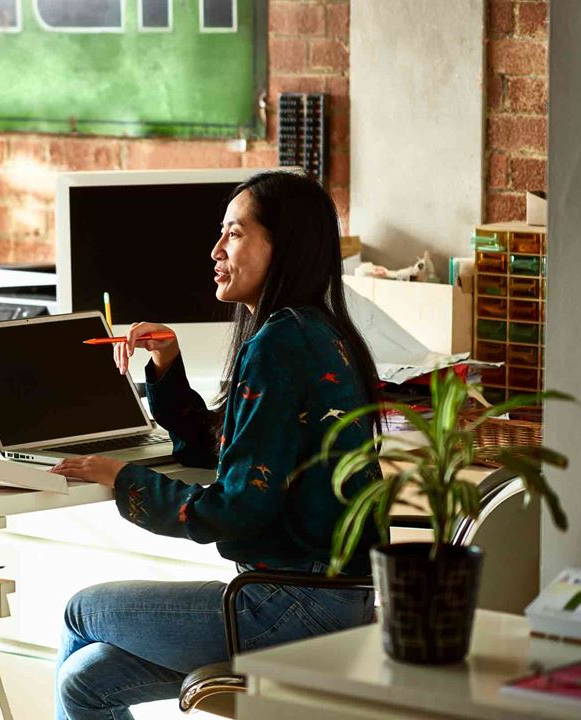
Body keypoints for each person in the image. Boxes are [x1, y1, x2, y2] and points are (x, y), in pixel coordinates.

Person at [49, 170, 383, 719]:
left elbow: (237, 509)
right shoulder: (318, 331)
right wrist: (167, 364)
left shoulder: (280, 342)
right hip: (335, 606)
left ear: (284, 245)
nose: (215, 250)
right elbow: (229, 453)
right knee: (86, 682)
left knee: (81, 610)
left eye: (233, 233)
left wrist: (122, 477)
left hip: (288, 610)